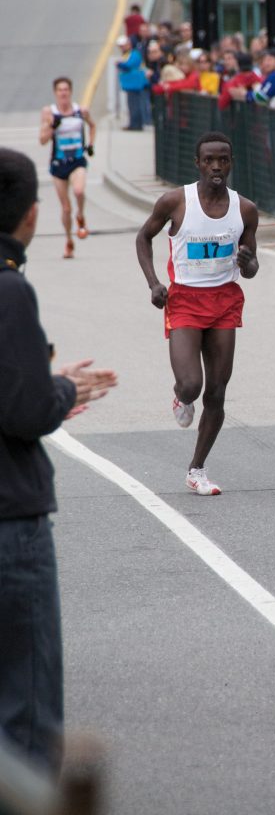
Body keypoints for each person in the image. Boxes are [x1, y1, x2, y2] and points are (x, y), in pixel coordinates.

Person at [0, 148, 117, 774]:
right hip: (10, 522)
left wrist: (44, 382)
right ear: (30, 215)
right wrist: (62, 390)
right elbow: (22, 412)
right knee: (29, 708)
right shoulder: (10, 289)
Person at [136, 132, 259, 496]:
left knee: (217, 393)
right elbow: (143, 238)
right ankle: (181, 396)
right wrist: (154, 283)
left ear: (231, 163)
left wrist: (249, 261)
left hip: (224, 301)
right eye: (209, 160)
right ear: (198, 163)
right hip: (185, 300)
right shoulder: (176, 202)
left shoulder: (245, 210)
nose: (216, 166)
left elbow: (251, 267)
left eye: (223, 159)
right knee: (192, 385)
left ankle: (197, 469)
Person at [39, 76, 96, 260]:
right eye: (60, 90)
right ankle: (69, 240)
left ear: (70, 91)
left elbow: (93, 126)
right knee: (65, 208)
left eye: (66, 89)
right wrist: (51, 126)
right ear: (55, 93)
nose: (63, 93)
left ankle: (81, 216)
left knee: (79, 191)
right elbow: (42, 140)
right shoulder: (50, 112)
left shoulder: (81, 111)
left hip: (77, 160)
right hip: (58, 164)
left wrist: (91, 145)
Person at [115, 35, 147, 132]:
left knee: (135, 105)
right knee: (132, 104)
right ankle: (133, 123)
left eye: (123, 46)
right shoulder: (127, 55)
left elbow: (129, 65)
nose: (122, 48)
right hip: (130, 84)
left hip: (135, 84)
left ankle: (136, 124)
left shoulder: (134, 54)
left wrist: (119, 64)